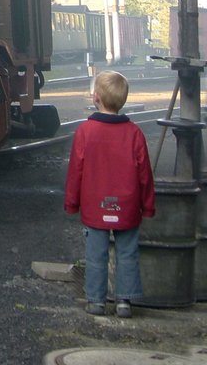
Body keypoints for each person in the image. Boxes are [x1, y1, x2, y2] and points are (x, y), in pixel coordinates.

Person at [64, 69, 155, 317]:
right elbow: (145, 174)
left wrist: (72, 203)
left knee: (96, 255)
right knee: (127, 254)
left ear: (96, 98)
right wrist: (148, 206)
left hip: (95, 205)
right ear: (123, 100)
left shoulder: (85, 132)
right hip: (127, 206)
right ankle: (124, 301)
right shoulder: (134, 133)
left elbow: (76, 171)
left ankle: (96, 301)